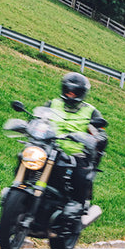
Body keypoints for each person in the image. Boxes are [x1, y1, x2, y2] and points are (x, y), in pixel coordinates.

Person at [43, 72, 107, 231]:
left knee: (80, 173)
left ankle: (76, 206)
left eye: (75, 92)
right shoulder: (52, 104)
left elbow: (100, 132)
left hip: (75, 154)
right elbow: (38, 119)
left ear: (81, 93)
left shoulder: (91, 111)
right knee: (26, 155)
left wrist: (98, 137)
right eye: (68, 90)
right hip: (49, 148)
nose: (70, 94)